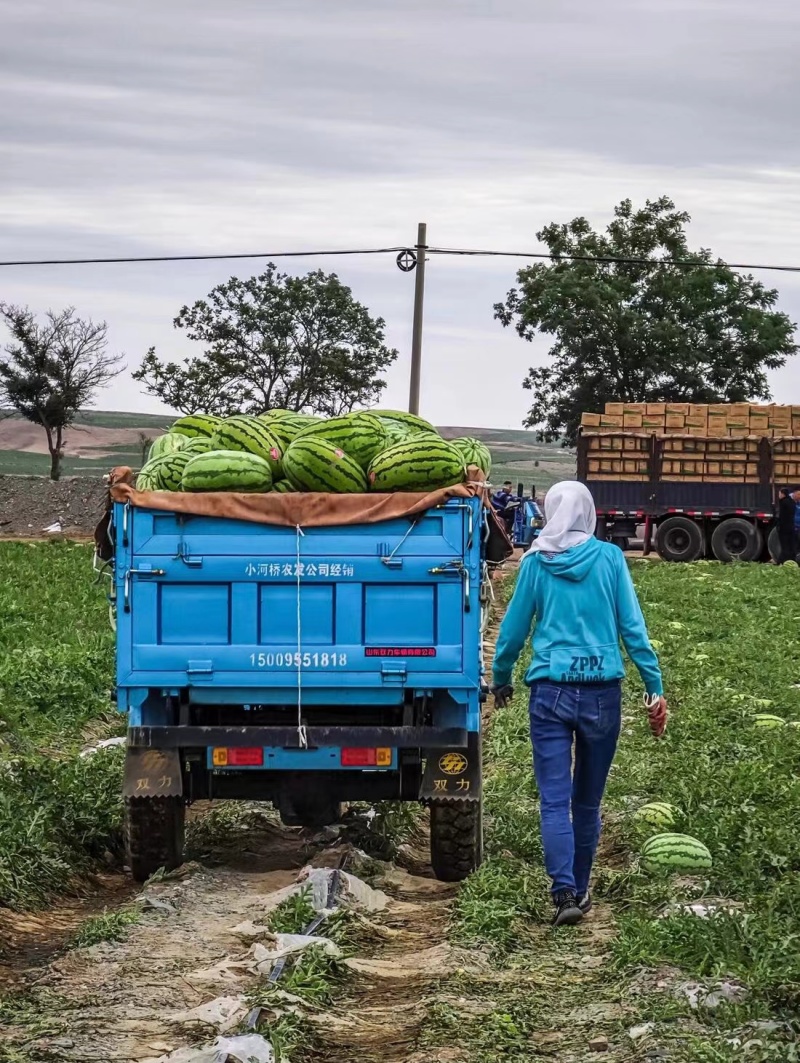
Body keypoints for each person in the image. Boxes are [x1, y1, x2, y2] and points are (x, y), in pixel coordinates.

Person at [491, 480, 667, 927]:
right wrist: (654, 686)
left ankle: (563, 890)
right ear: (588, 511)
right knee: (586, 802)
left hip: (549, 690)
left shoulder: (535, 563)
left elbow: (512, 631)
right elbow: (632, 627)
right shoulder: (609, 558)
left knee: (552, 800)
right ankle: (582, 888)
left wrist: (501, 678)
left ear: (551, 511)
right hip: (602, 692)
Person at [776, 487, 797, 564]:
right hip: (791, 527)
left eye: (779, 493)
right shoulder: (792, 502)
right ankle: (792, 561)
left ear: (783, 494)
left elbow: (782, 516)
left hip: (784, 528)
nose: (779, 495)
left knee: (784, 547)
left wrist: (778, 526)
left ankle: (780, 562)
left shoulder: (783, 502)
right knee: (791, 546)